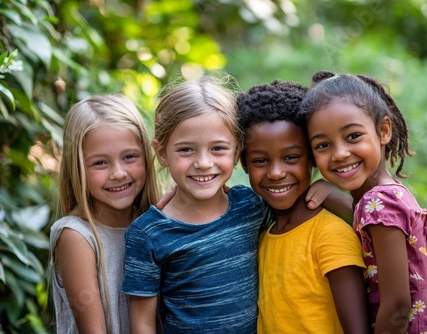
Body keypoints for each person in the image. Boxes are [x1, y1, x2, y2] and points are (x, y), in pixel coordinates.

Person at [122, 75, 351, 333]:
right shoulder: (147, 234)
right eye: (186, 150)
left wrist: (330, 192)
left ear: (237, 151)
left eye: (217, 148)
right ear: (162, 153)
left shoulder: (250, 206)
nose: (203, 163)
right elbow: (142, 323)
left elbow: (291, 200)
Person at [301, 70, 427, 334]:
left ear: (384, 131)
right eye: (322, 145)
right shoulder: (388, 195)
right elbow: (362, 216)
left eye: (353, 136)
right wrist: (328, 193)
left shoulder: (379, 203)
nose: (339, 153)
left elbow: (397, 307)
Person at [237, 79, 369, 334]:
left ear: (312, 157)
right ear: (244, 164)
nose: (276, 173)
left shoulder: (329, 235)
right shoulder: (261, 234)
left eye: (291, 158)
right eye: (260, 160)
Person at [50, 94, 160, 333]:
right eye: (100, 163)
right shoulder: (77, 236)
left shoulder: (157, 223)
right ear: (76, 167)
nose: (118, 173)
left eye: (129, 157)